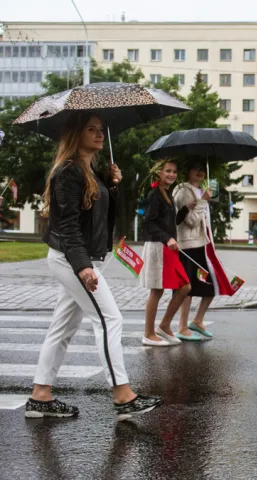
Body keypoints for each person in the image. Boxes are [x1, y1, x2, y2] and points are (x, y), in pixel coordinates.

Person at [27, 112, 162, 419]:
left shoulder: (89, 171)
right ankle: (123, 395)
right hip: (72, 259)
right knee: (109, 319)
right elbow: (69, 226)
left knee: (63, 327)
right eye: (91, 129)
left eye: (101, 129)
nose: (100, 134)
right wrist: (83, 266)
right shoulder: (68, 172)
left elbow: (96, 215)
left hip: (81, 258)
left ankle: (40, 396)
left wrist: (111, 186)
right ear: (76, 135)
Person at [173, 161, 234, 341]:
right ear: (188, 171)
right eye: (196, 168)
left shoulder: (200, 191)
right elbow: (190, 220)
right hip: (189, 245)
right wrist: (203, 201)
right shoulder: (184, 191)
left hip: (203, 243)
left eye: (202, 169)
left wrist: (204, 198)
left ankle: (198, 320)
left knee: (212, 283)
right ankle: (182, 326)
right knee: (189, 287)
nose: (200, 172)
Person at [139, 159, 195, 346]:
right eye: (168, 171)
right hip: (158, 246)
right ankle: (148, 333)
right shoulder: (154, 194)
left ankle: (163, 326)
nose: (172, 174)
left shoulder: (167, 194)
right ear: (159, 174)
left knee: (185, 287)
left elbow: (173, 222)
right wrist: (167, 238)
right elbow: (149, 222)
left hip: (168, 247)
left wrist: (187, 208)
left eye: (174, 172)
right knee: (157, 290)